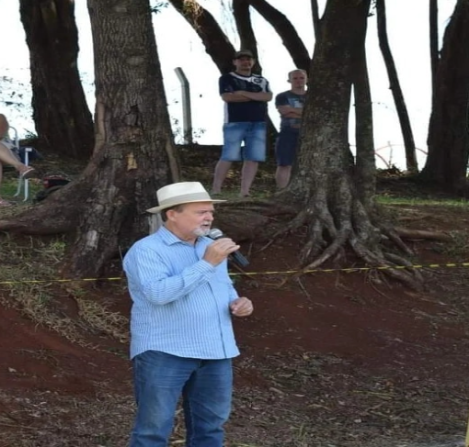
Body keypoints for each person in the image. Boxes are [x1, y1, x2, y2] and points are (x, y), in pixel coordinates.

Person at [123, 181, 254, 447]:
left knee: (210, 429)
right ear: (172, 213)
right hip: (165, 351)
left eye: (211, 212)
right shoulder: (147, 250)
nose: (209, 218)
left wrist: (240, 303)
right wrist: (207, 263)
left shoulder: (210, 246)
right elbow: (158, 294)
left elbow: (224, 290)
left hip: (216, 352)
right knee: (153, 431)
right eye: (200, 212)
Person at [212, 50, 272, 197]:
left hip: (258, 122)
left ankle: (245, 191)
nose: (246, 62)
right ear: (235, 62)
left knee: (253, 157)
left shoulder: (261, 80)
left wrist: (243, 93)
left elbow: (267, 96)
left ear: (253, 61)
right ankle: (216, 189)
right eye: (242, 60)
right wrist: (255, 97)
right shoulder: (227, 78)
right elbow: (228, 97)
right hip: (235, 122)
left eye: (248, 59)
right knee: (229, 155)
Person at [274, 69, 307, 189]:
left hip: (309, 135)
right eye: (295, 78)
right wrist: (306, 114)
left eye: (301, 78)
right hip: (288, 133)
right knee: (284, 164)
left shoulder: (313, 96)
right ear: (289, 80)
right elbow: (285, 112)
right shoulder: (283, 96)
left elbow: (317, 115)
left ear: (306, 79)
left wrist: (294, 111)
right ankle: (281, 191)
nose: (299, 81)